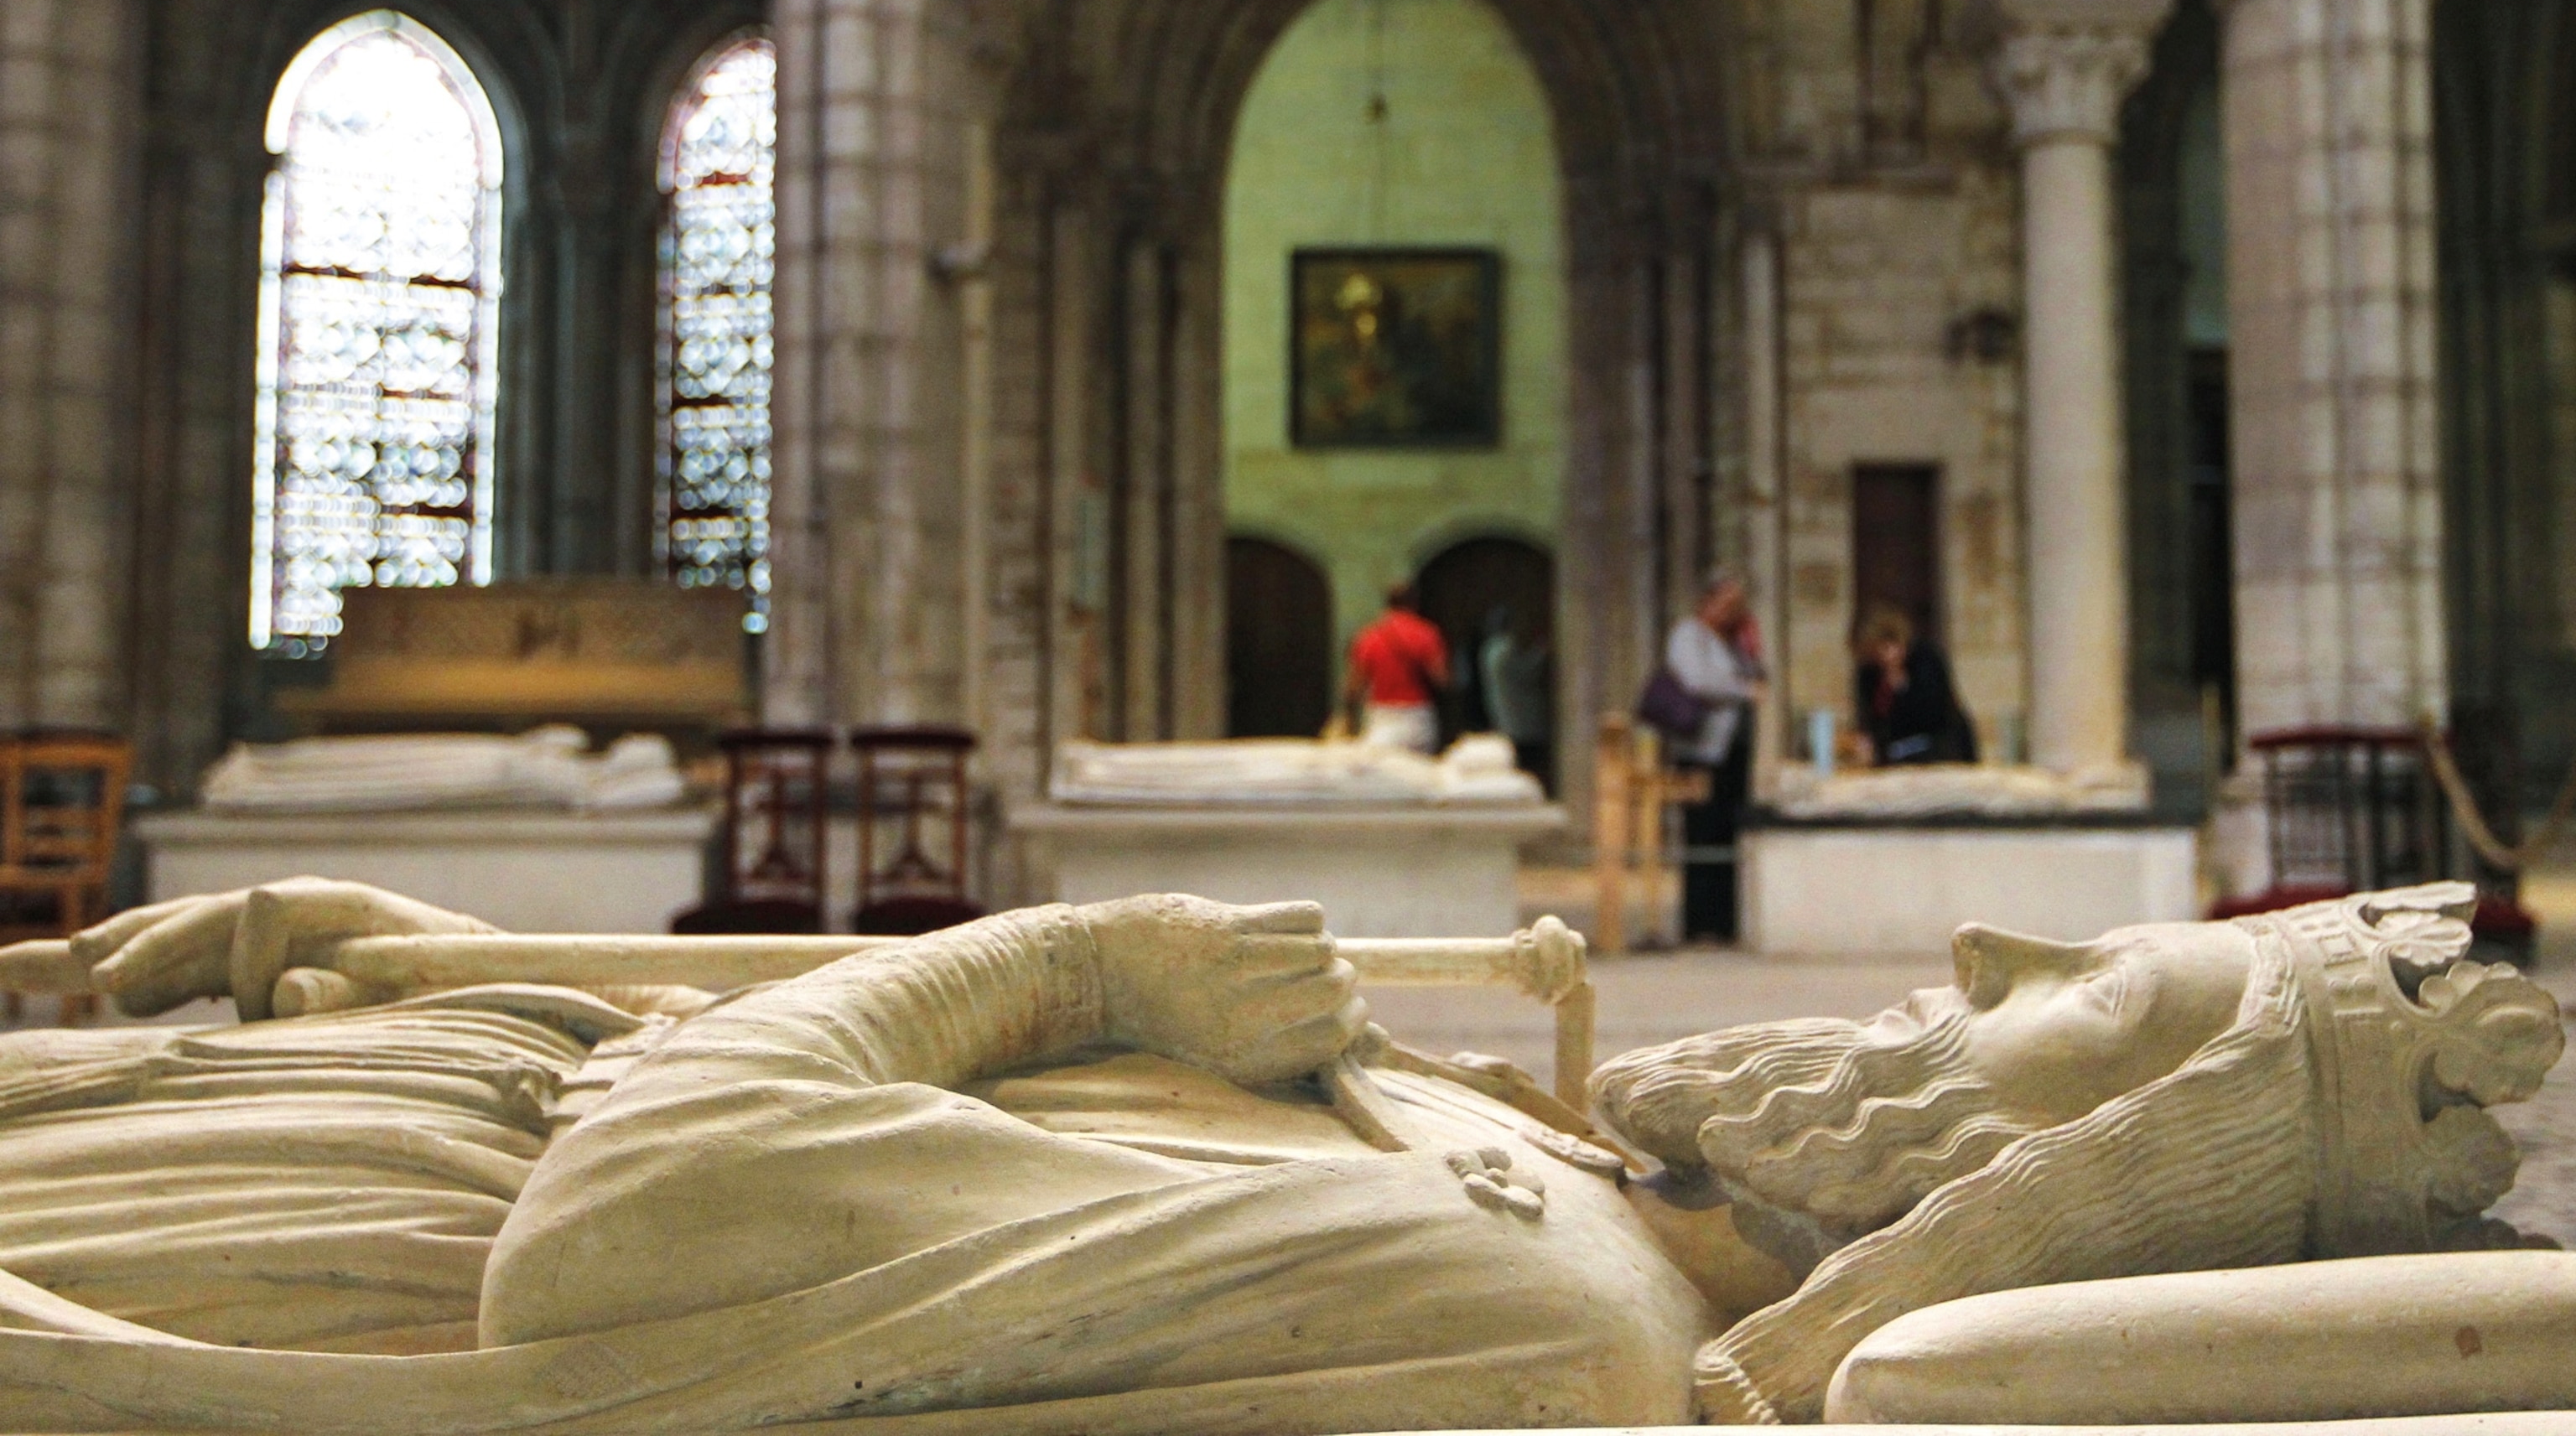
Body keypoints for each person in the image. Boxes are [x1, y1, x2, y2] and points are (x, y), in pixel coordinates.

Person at [0, 879, 2553, 1433]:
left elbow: (645, 1230)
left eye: (2092, 995)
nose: (1977, 965)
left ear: (2080, 1172)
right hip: (349, 1084)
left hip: (254, 1226)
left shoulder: (1529, 1303)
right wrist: (449, 947)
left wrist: (1085, 953)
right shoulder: (1557, 1157)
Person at [1660, 571, 1766, 941]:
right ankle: (1700, 922)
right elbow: (1695, 681)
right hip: (1701, 751)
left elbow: (1759, 677)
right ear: (1708, 602)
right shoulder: (1688, 635)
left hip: (1733, 749)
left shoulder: (1734, 642)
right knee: (1702, 830)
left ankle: (1726, 922)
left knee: (1728, 829)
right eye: (1726, 604)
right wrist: (1741, 690)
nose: (1732, 612)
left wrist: (1751, 645)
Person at [1850, 603, 1977, 766]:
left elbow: (1935, 710)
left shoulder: (1926, 659)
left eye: (1890, 646)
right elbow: (1870, 716)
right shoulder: (1869, 673)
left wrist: (1901, 686)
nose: (1886, 656)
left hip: (1939, 750)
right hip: (1894, 756)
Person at [1344, 580, 1448, 754]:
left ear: (1388, 603)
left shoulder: (1368, 637)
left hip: (1382, 714)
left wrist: (1349, 718)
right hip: (1418, 713)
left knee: (1384, 771)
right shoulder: (1427, 634)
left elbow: (1354, 685)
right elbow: (1442, 679)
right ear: (1415, 602)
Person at [1478, 605, 1553, 785]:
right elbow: (1526, 672)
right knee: (1528, 762)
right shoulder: (1505, 649)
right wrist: (1541, 651)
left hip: (1503, 714)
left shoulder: (1488, 649)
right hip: (1522, 717)